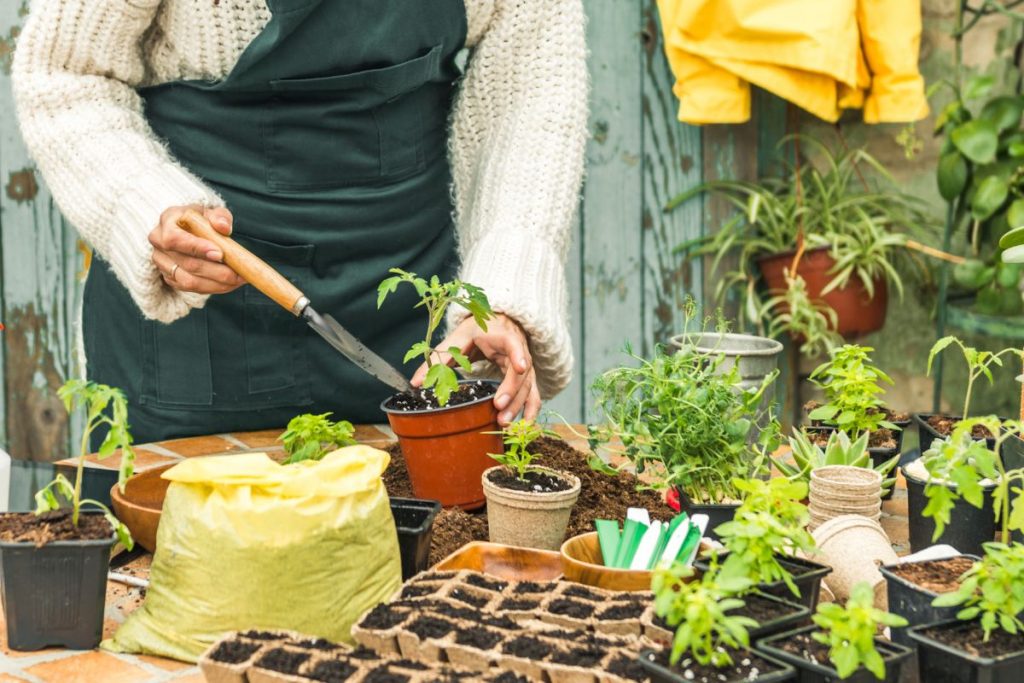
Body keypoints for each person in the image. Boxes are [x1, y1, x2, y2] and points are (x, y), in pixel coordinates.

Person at [13, 0, 587, 442]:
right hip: (202, 309)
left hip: (415, 303)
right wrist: (147, 203)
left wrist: (501, 294)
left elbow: (533, 71)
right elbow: (67, 73)